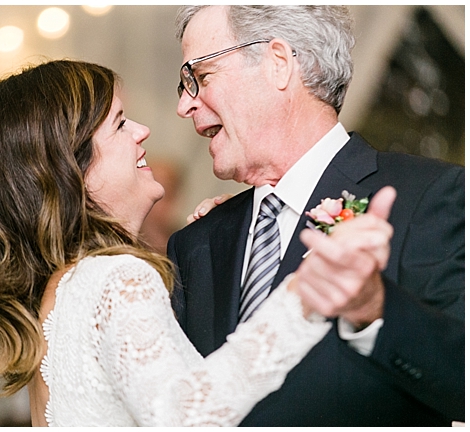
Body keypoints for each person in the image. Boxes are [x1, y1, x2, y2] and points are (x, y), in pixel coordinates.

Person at [0, 59, 397, 426]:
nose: (142, 131)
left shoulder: (63, 288)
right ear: (75, 169)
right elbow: (183, 417)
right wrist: (304, 294)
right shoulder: (115, 278)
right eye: (120, 124)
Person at [169, 6, 464, 425]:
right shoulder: (195, 242)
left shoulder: (432, 198)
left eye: (199, 77)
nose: (185, 104)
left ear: (277, 64)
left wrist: (374, 308)